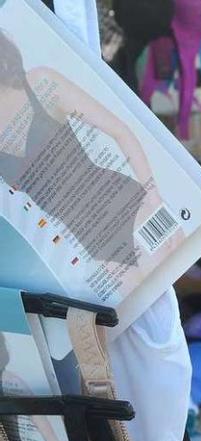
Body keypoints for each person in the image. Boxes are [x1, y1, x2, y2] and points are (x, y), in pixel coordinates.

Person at [0, 29, 177, 270]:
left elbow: (120, 131)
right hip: (81, 246)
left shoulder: (40, 82)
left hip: (126, 207)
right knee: (141, 305)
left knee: (174, 278)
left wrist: (154, 198)